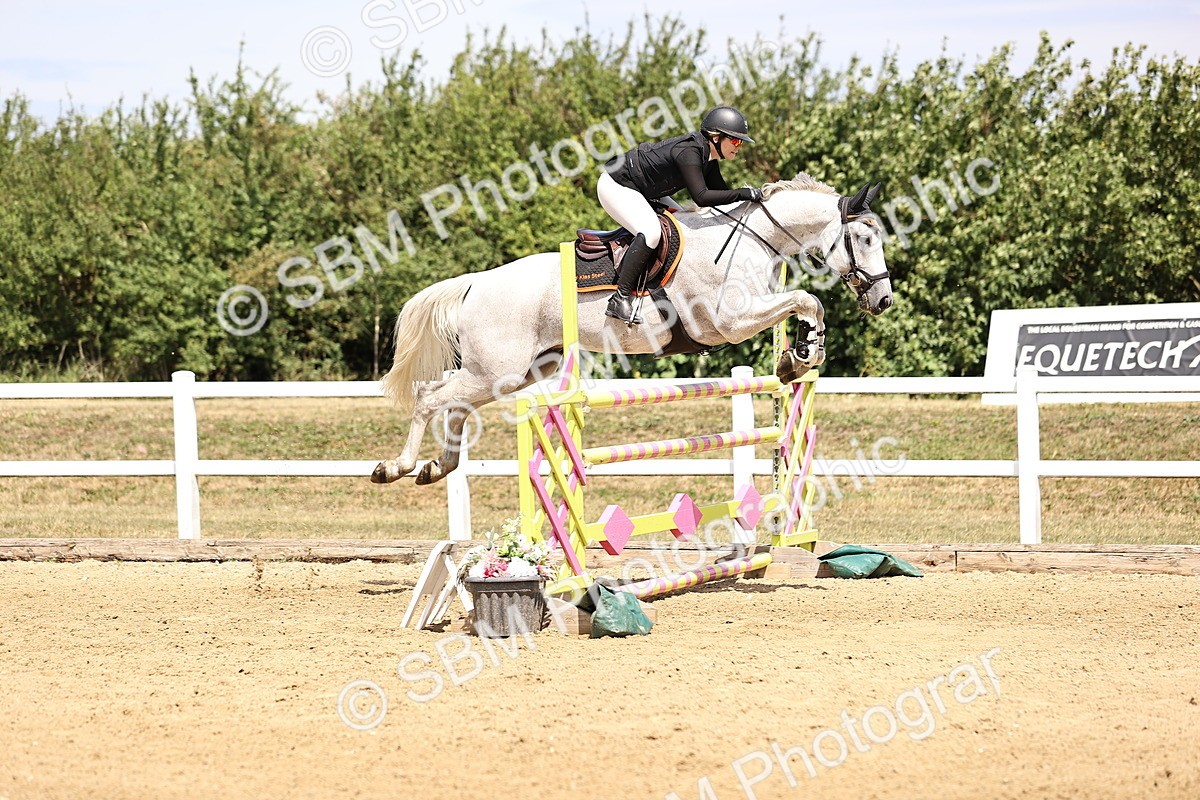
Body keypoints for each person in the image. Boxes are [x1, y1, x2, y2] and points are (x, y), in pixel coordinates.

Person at [597, 105, 762, 324]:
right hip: (616, 184)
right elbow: (701, 197)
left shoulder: (709, 159)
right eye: (734, 141)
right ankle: (619, 298)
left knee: (684, 222)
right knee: (651, 233)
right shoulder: (690, 152)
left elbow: (720, 201)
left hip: (644, 190)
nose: (738, 147)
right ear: (715, 137)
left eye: (740, 142)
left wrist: (750, 207)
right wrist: (744, 193)